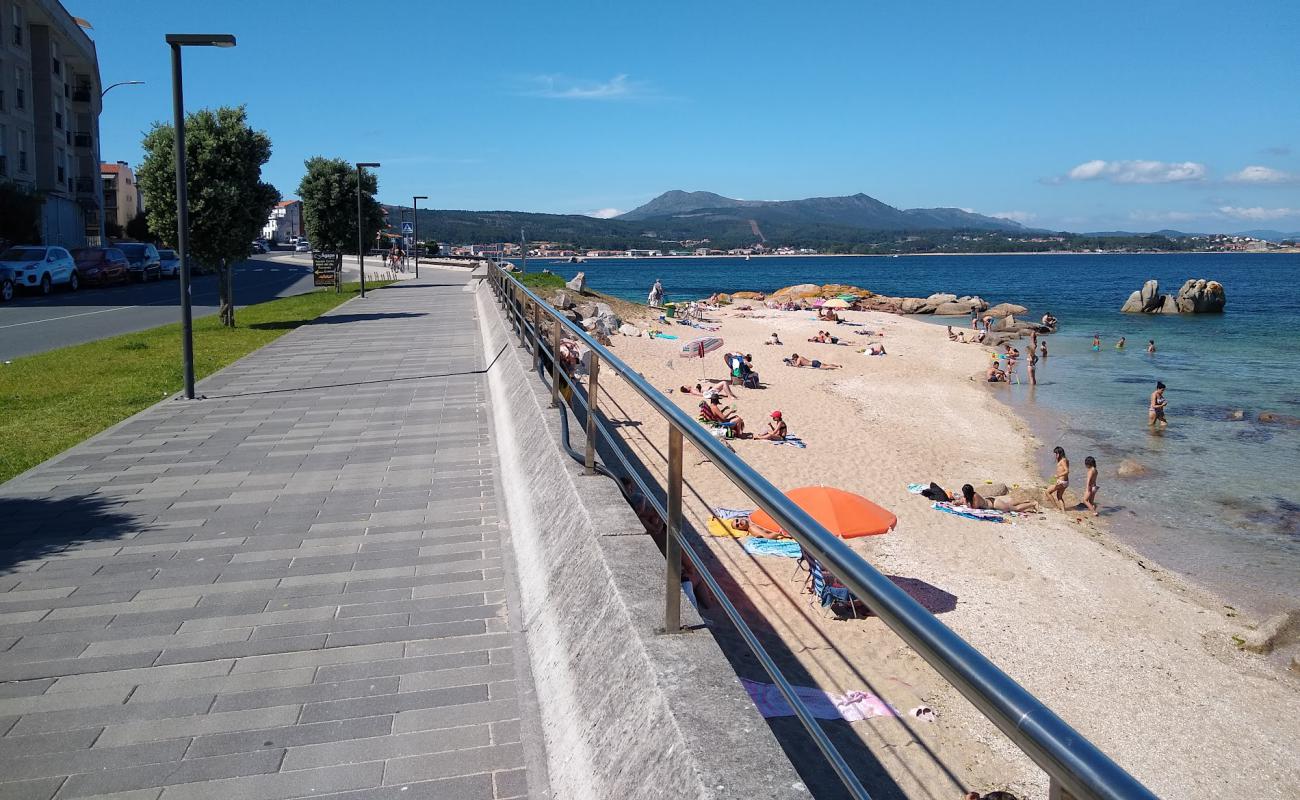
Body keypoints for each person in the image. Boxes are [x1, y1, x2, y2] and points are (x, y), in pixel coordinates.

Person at [959, 484, 1040, 513]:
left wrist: (965, 502)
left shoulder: (975, 496)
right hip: (991, 501)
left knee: (1015, 509)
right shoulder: (969, 496)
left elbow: (974, 507)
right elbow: (962, 500)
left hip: (994, 504)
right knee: (1008, 504)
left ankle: (1033, 503)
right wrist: (959, 502)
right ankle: (1025, 501)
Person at [1046, 446, 1069, 511]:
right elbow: (1061, 470)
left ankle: (1055, 508)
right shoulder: (1065, 460)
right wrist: (1054, 478)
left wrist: (1058, 475)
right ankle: (1063, 511)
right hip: (1065, 482)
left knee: (1047, 492)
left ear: (1059, 453)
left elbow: (1067, 471)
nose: (1055, 455)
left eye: (1056, 454)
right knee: (1059, 497)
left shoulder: (1063, 460)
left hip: (1061, 481)